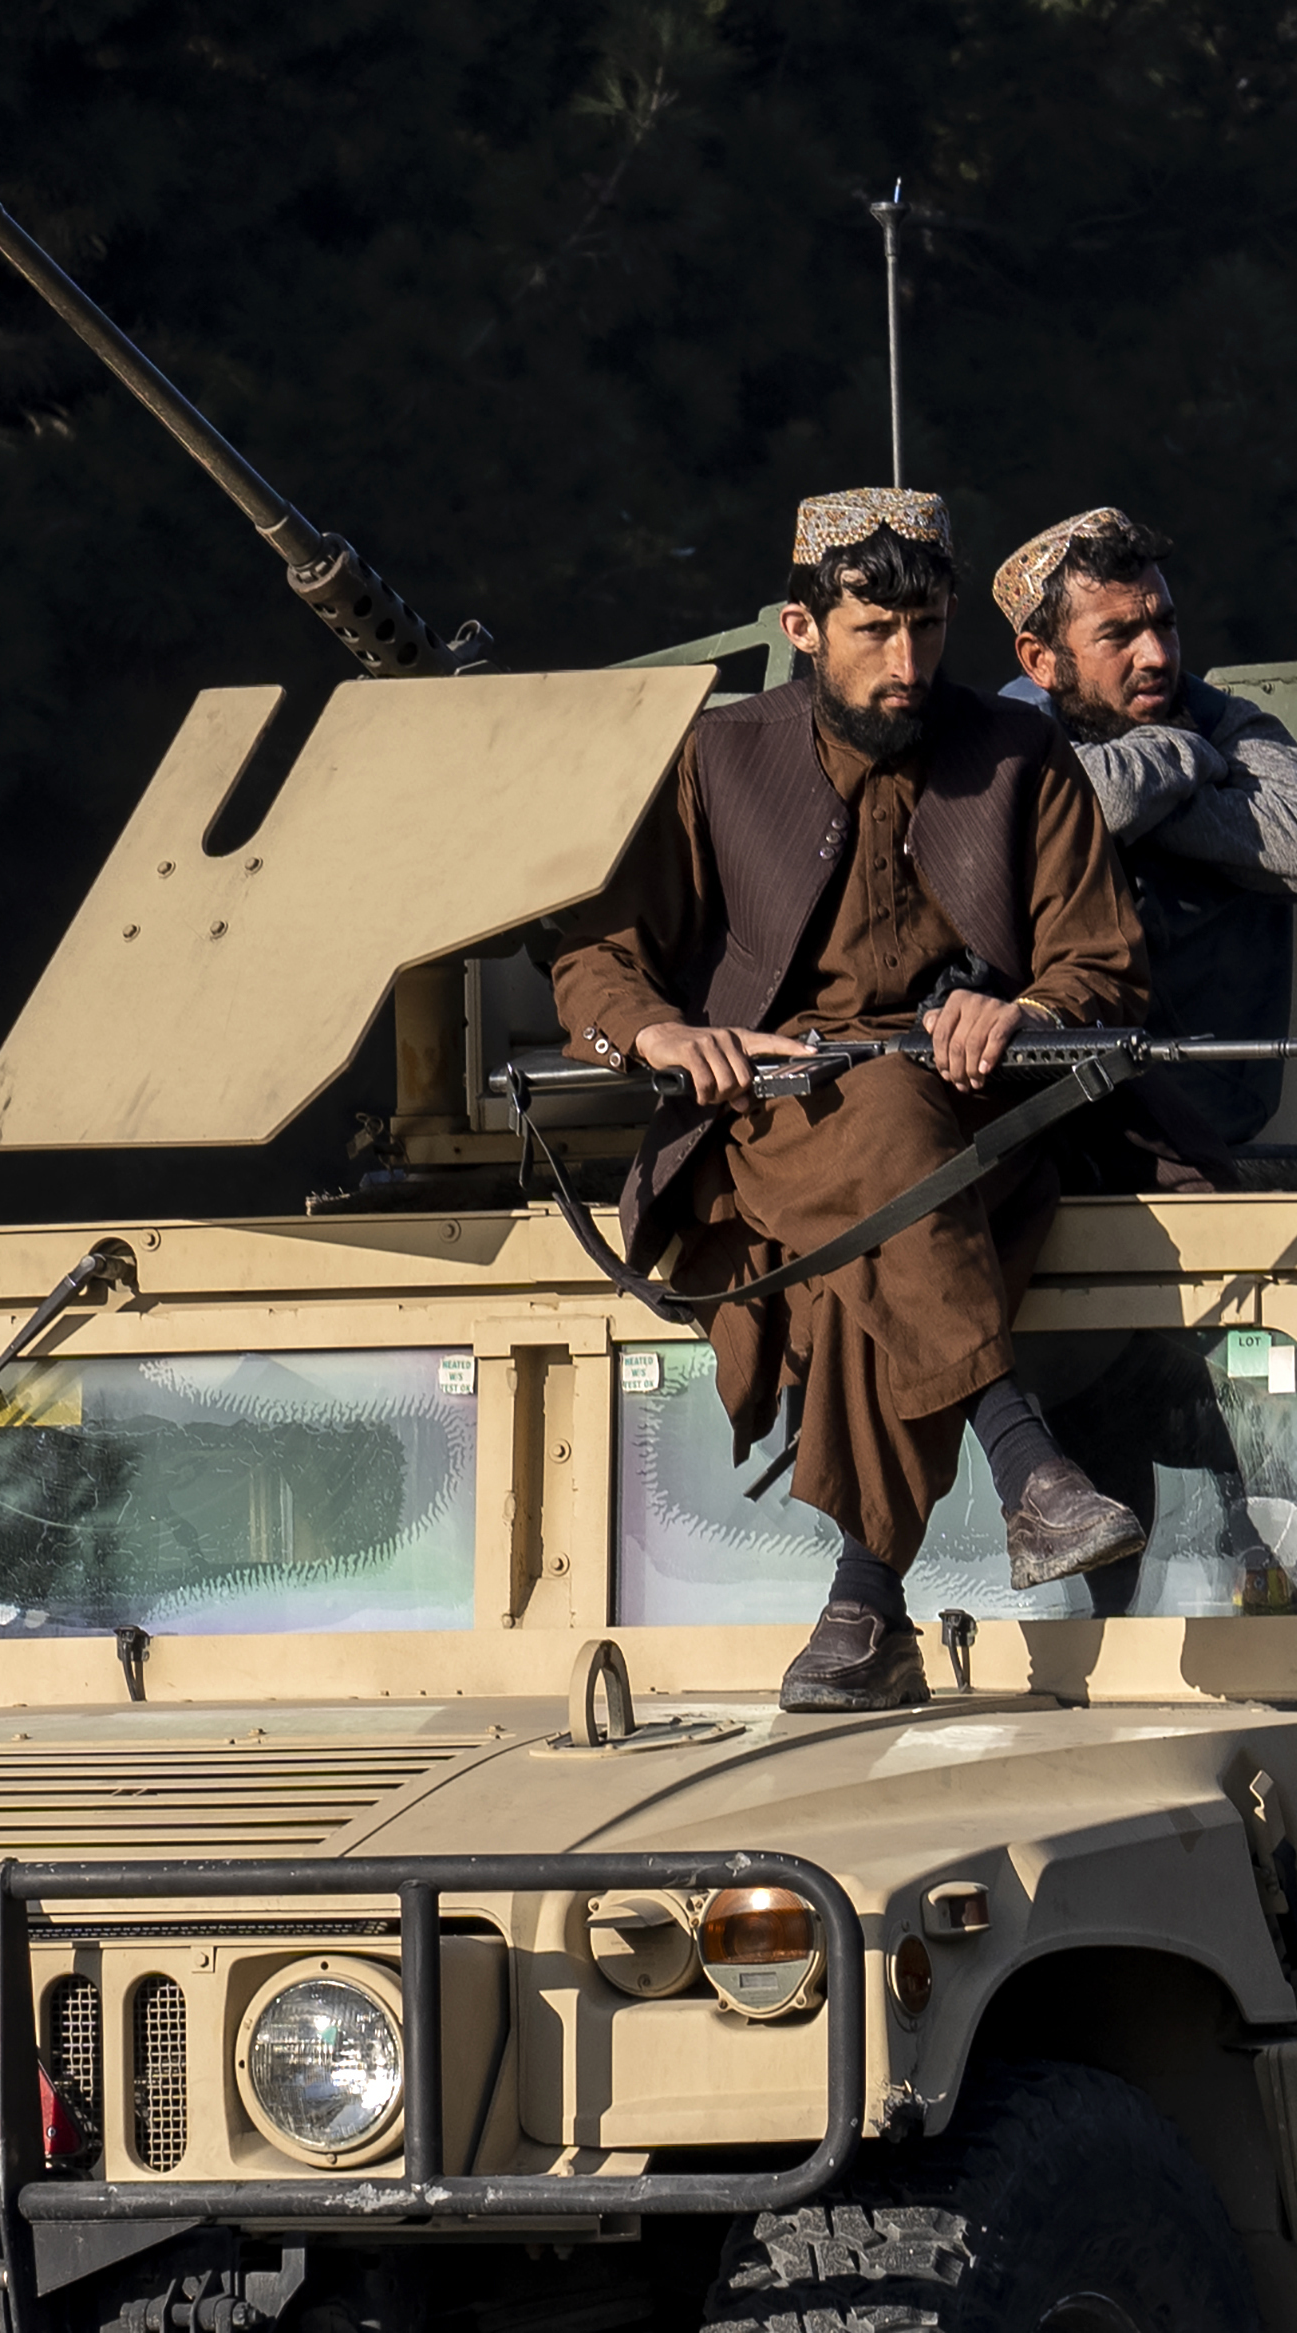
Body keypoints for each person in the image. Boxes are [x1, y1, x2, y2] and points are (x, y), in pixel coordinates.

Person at [550, 488, 1153, 1713]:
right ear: (800, 625)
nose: (907, 660)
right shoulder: (717, 756)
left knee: (871, 1231)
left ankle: (865, 1604)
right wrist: (660, 1028)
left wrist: (1024, 1013)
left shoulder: (1018, 754)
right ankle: (1021, 1460)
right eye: (874, 629)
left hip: (985, 1114)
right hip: (769, 1109)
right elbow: (597, 954)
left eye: (926, 629)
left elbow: (1101, 961)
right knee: (882, 1134)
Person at [996, 509, 1297, 1150]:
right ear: (1041, 660)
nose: (1155, 655)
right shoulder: (1003, 733)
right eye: (1118, 635)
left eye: (1164, 623)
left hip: (1202, 1099)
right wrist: (1181, 756)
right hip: (1036, 1099)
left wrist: (1149, 806)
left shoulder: (1229, 722)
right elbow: (1082, 797)